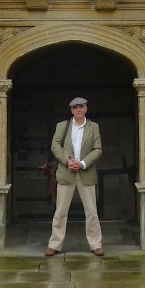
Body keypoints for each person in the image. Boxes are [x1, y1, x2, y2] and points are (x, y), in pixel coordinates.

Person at [45, 97, 103, 256]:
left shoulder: (94, 127)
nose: (78, 109)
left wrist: (83, 163)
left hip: (86, 173)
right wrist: (67, 161)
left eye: (81, 106)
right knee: (61, 211)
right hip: (66, 173)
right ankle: (54, 244)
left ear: (86, 109)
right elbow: (55, 145)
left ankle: (96, 244)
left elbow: (98, 149)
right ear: (71, 110)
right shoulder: (62, 126)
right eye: (75, 107)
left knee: (91, 211)